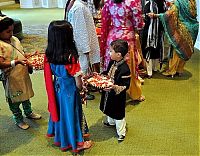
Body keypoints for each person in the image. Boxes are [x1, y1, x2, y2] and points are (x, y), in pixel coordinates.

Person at [44, 20, 92, 153]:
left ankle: (63, 139)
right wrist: (82, 88)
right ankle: (76, 142)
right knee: (72, 114)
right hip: (70, 90)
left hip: (57, 88)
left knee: (61, 112)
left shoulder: (49, 54)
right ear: (67, 37)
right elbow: (77, 81)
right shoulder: (70, 57)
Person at [0, 15, 41, 130]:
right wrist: (16, 62)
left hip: (22, 73)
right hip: (11, 77)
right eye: (8, 31)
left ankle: (28, 112)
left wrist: (28, 56)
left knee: (25, 93)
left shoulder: (15, 39)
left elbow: (20, 52)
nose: (11, 33)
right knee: (14, 99)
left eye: (12, 30)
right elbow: (1, 64)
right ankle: (18, 119)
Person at [100, 0, 145, 101]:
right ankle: (135, 93)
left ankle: (110, 90)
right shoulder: (133, 1)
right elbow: (139, 24)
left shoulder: (108, 1)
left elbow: (105, 23)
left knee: (112, 65)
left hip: (112, 37)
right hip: (127, 38)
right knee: (129, 67)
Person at [148, 0, 199, 77]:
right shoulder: (193, 2)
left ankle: (172, 71)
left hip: (183, 29)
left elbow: (169, 14)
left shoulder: (179, 2)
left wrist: (155, 15)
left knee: (177, 50)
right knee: (184, 50)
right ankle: (179, 70)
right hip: (193, 29)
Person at [65, 0, 101, 100]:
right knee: (83, 67)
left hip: (84, 43)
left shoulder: (80, 5)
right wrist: (85, 48)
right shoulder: (78, 7)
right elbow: (79, 30)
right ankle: (82, 91)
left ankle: (86, 86)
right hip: (81, 45)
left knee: (85, 66)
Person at [100, 39, 131, 141]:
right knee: (109, 108)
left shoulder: (125, 69)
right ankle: (111, 122)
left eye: (111, 51)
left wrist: (113, 87)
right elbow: (108, 72)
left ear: (118, 54)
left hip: (118, 96)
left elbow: (125, 86)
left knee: (118, 114)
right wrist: (102, 76)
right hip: (109, 92)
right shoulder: (113, 62)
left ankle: (121, 132)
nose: (109, 53)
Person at [141, 0, 166, 78]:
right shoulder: (163, 3)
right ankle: (154, 68)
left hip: (149, 31)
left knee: (148, 48)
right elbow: (166, 16)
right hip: (159, 30)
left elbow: (145, 17)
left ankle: (149, 71)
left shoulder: (150, 4)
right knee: (157, 48)